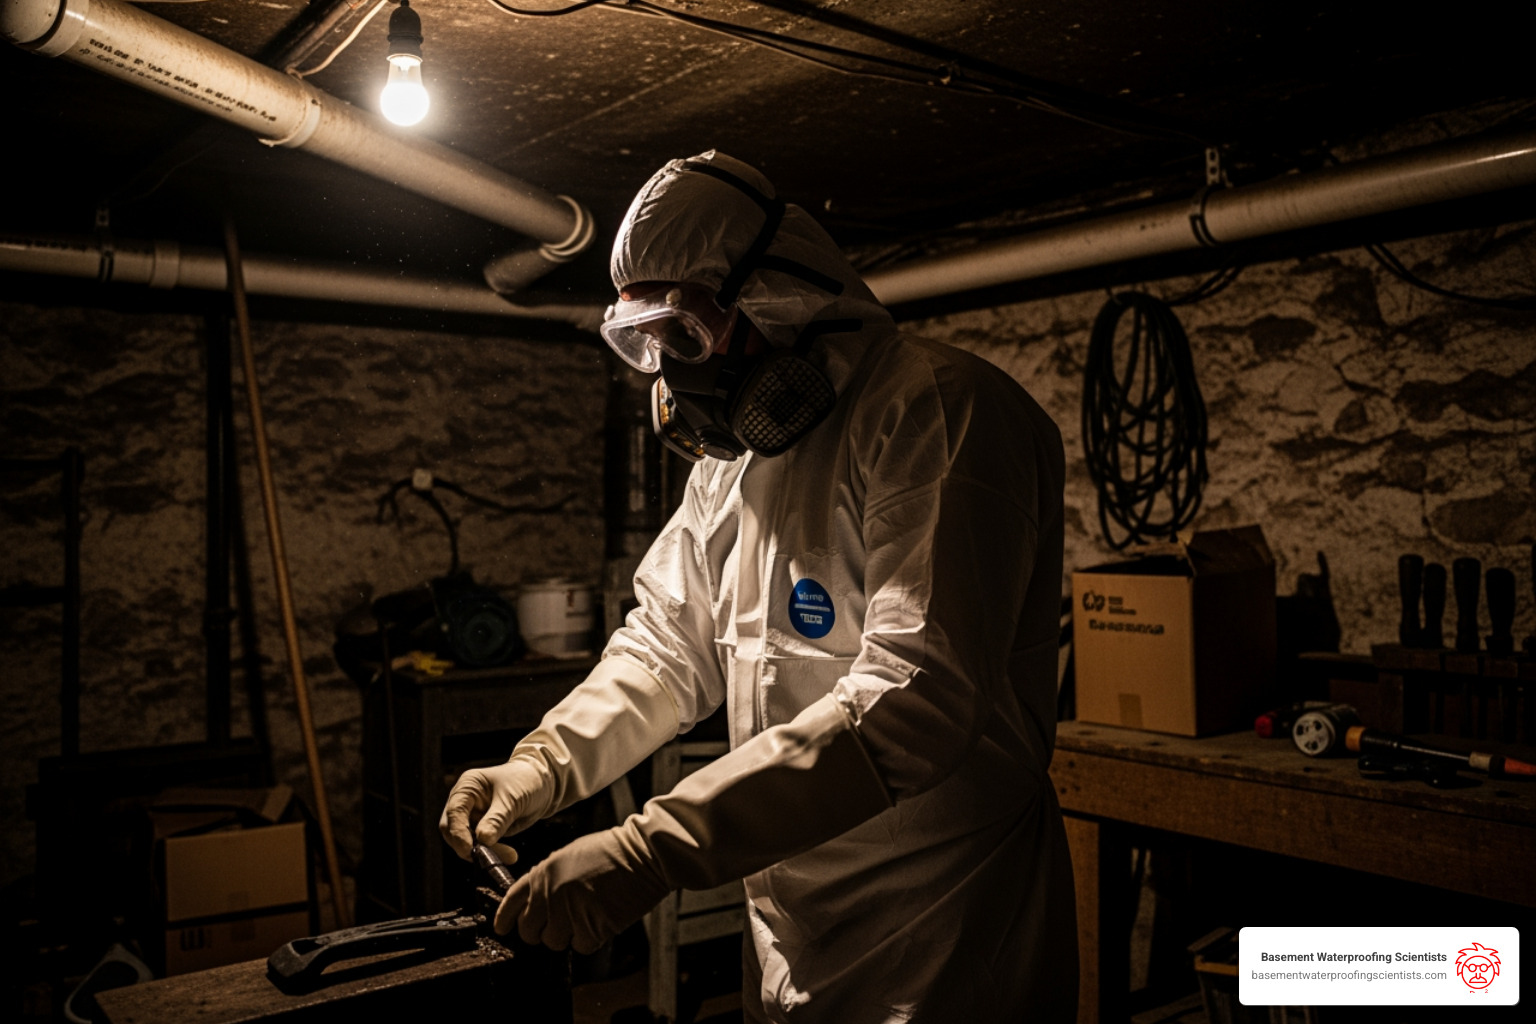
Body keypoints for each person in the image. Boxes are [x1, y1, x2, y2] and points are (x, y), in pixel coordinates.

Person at [441, 150, 1077, 1022]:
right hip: (790, 919)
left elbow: (915, 697)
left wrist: (650, 849)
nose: (671, 375)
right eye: (649, 345)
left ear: (777, 298)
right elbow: (668, 649)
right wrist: (540, 766)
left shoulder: (934, 408)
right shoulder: (735, 463)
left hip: (945, 927)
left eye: (687, 338)